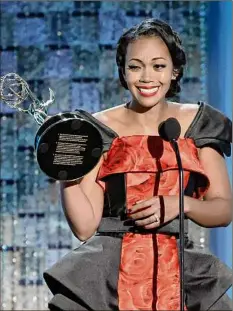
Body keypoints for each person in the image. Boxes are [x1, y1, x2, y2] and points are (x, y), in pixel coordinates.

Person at [43, 19, 232, 310]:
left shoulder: (199, 124)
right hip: (107, 278)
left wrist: (181, 205)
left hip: (180, 274)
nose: (146, 77)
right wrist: (66, 173)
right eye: (135, 66)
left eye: (158, 66)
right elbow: (84, 227)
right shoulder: (97, 128)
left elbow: (223, 209)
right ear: (123, 71)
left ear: (175, 70)